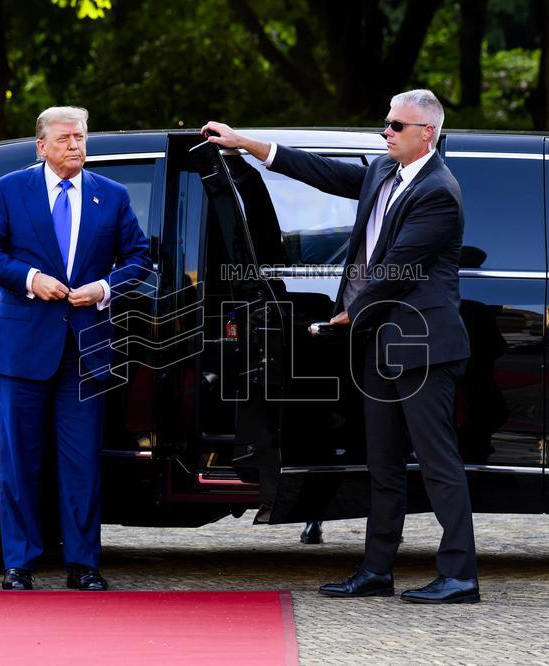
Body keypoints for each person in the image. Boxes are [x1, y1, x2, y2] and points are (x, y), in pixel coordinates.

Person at [201, 89, 478, 604]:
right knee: (382, 463)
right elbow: (321, 171)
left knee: (438, 464)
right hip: (382, 343)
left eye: (396, 125)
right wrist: (248, 145)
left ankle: (460, 575)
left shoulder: (439, 191)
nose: (386, 132)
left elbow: (399, 267)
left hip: (423, 346)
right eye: (386, 123)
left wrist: (345, 315)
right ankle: (377, 570)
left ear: (428, 133)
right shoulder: (382, 173)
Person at [0, 106, 149, 591]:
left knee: (81, 459)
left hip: (84, 347)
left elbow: (139, 258)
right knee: (22, 457)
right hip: (23, 345)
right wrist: (30, 279)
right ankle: (19, 565)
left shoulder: (109, 196)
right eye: (66, 138)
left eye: (81, 137)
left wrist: (105, 288)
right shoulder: (9, 190)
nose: (75, 145)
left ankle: (84, 565)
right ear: (41, 147)